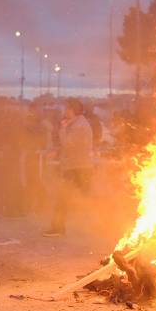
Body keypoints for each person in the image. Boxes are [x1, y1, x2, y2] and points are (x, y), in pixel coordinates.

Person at [45, 98, 94, 236]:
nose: (64, 111)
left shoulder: (78, 126)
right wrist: (57, 152)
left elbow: (69, 144)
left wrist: (63, 129)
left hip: (77, 168)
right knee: (70, 198)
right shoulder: (77, 124)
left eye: (66, 108)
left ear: (73, 110)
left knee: (63, 198)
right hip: (77, 167)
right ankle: (58, 228)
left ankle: (58, 228)